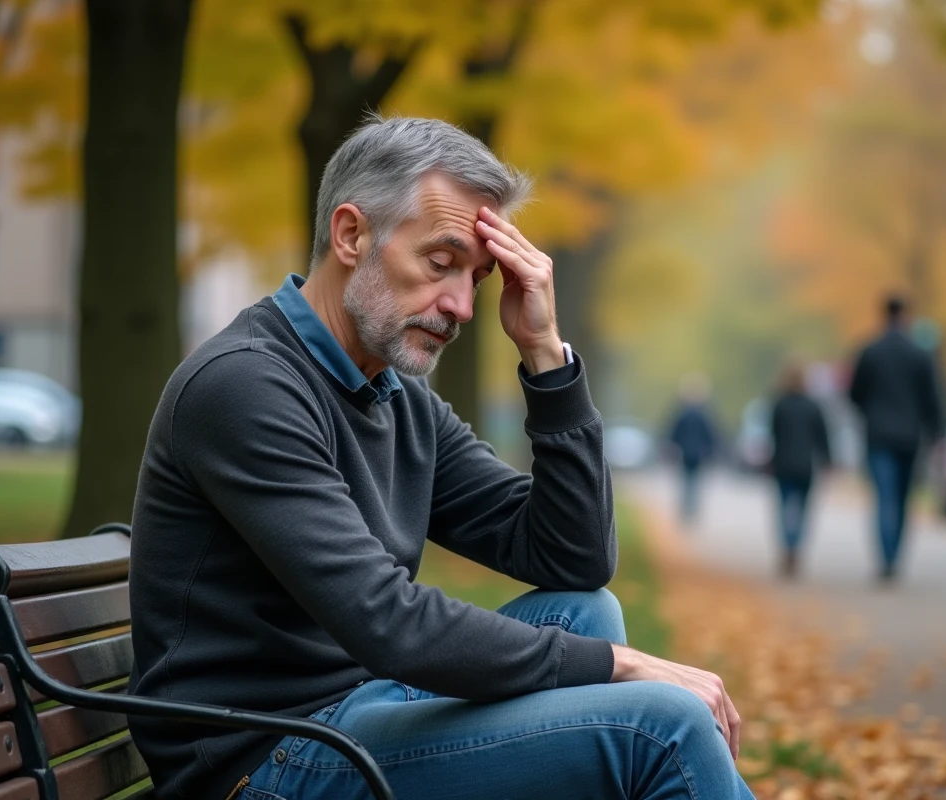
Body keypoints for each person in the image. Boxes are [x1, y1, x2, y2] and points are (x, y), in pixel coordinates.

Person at [128, 115, 753, 800]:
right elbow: (387, 621)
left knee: (585, 609)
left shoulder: (393, 396)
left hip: (355, 712)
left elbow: (572, 558)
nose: (460, 306)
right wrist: (619, 666)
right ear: (351, 235)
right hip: (262, 759)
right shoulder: (245, 385)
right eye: (439, 262)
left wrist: (545, 353)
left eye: (477, 277)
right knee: (663, 727)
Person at [849, 294, 942, 583]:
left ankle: (886, 557)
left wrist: (869, 414)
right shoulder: (919, 354)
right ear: (905, 315)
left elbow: (855, 394)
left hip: (878, 435)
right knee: (901, 499)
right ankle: (895, 556)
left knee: (884, 497)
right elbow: (931, 398)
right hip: (909, 437)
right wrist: (936, 433)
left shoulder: (869, 351)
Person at [769, 363, 831, 578]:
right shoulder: (812, 406)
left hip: (783, 464)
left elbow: (774, 435)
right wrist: (828, 460)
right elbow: (822, 437)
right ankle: (796, 546)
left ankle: (787, 545)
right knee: (803, 509)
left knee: (785, 507)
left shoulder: (779, 405)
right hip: (806, 466)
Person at [666, 373, 721, 526]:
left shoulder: (681, 413)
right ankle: (692, 509)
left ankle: (686, 509)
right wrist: (711, 449)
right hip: (698, 454)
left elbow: (673, 432)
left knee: (687, 482)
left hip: (685, 453)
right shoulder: (704, 414)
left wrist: (672, 446)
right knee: (695, 482)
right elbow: (711, 434)